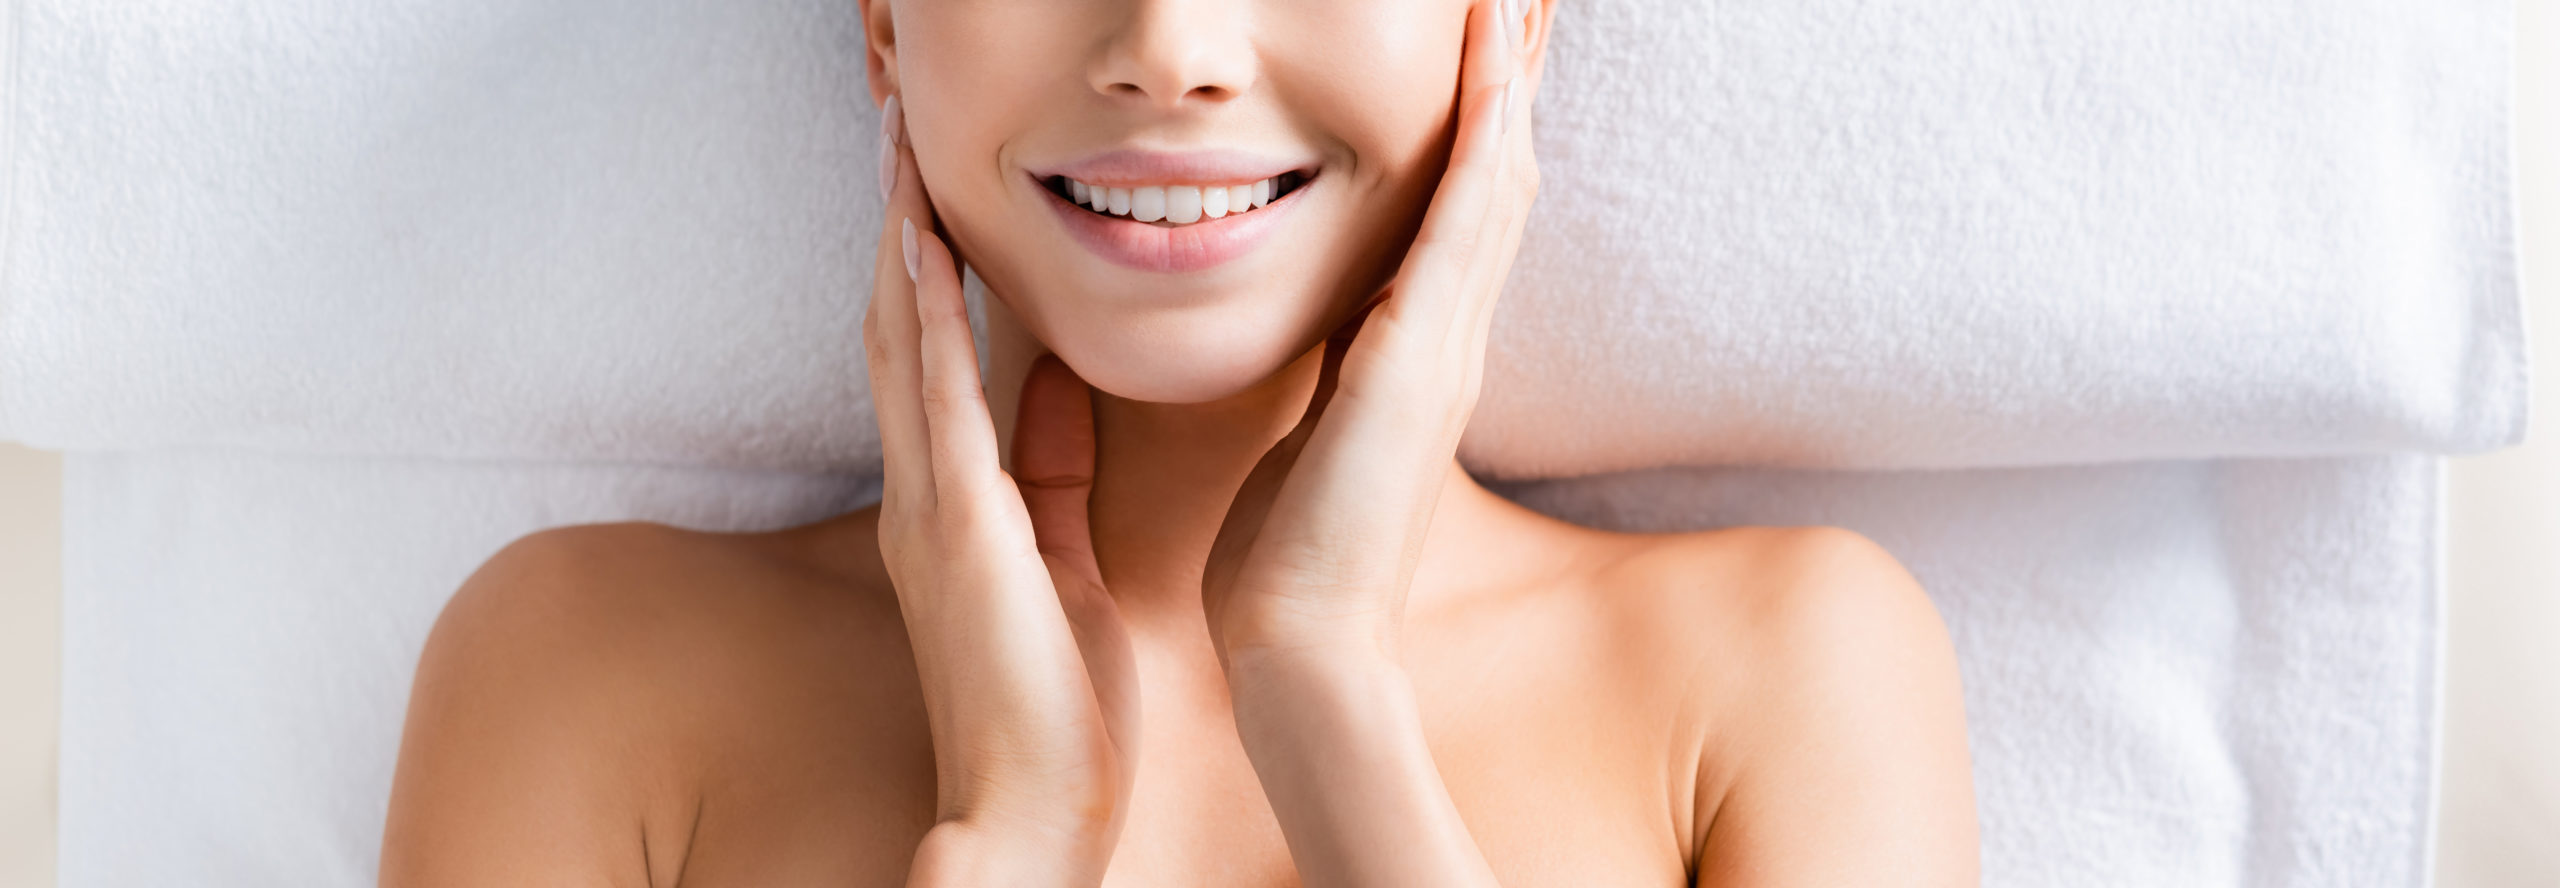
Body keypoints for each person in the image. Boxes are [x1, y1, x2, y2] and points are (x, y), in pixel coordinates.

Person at [380, 0, 1979, 884]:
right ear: (880, 22)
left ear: (1514, 17)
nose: (1172, 41)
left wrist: (1328, 699)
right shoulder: (582, 679)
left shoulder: (1783, 673)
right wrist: (1007, 837)